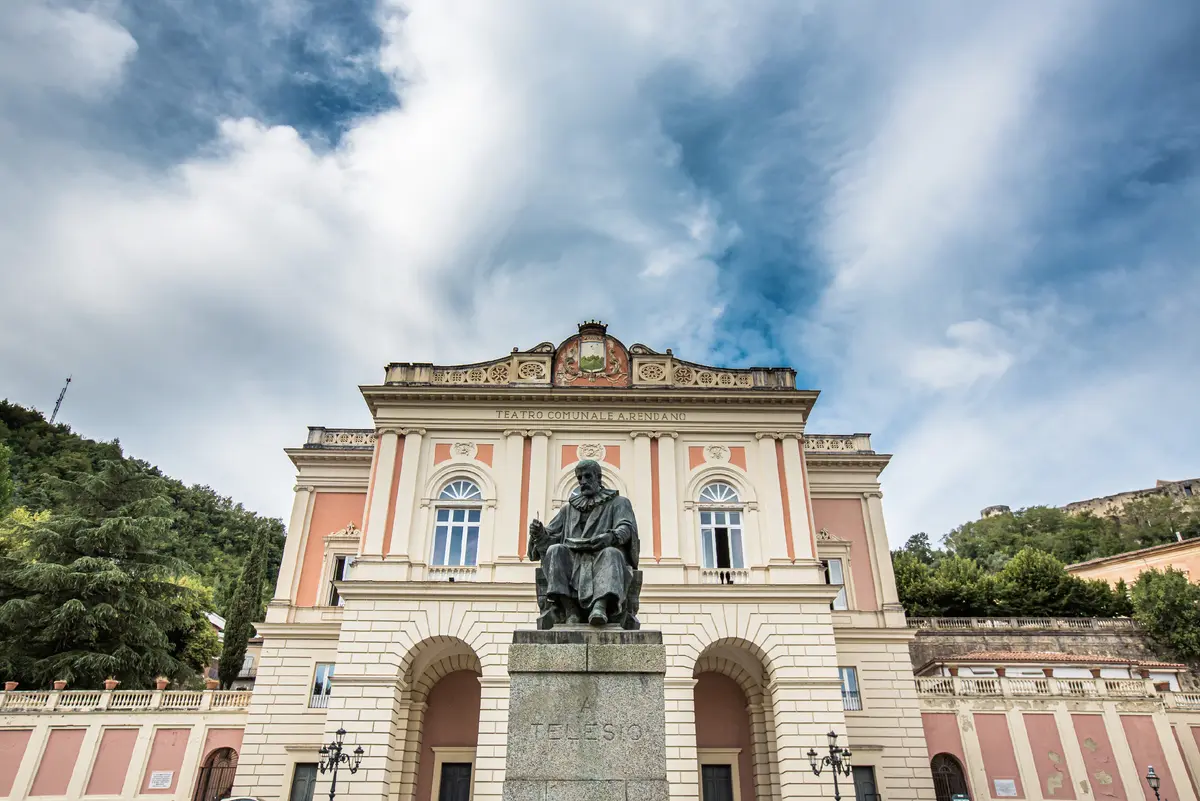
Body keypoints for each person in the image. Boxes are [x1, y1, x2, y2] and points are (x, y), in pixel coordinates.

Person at [528, 459, 639, 626]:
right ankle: (570, 609)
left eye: (587, 476)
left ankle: (600, 607)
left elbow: (626, 527)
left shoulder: (618, 502)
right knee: (555, 550)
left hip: (601, 555)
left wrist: (612, 537)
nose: (583, 481)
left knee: (612, 553)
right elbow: (551, 535)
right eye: (579, 478)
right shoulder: (568, 509)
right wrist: (539, 533)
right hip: (573, 559)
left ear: (598, 477)